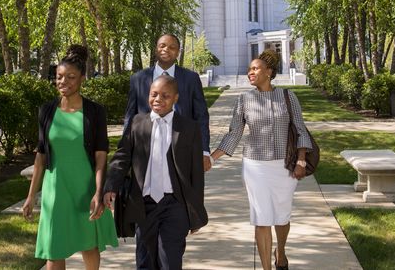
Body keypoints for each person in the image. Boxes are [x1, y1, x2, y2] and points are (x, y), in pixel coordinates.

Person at [210, 49, 313, 270]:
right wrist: (212, 159)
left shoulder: (288, 96)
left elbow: (300, 129)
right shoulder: (244, 99)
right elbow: (234, 133)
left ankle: (281, 252)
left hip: (284, 166)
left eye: (255, 68)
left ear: (269, 72)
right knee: (262, 217)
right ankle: (266, 267)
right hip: (255, 166)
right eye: (249, 69)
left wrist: (301, 160)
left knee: (282, 217)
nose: (250, 72)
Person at [22, 44, 118, 270]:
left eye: (70, 77)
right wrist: (30, 195)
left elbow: (101, 155)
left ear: (83, 78)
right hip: (56, 190)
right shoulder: (46, 111)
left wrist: (98, 191)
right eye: (59, 77)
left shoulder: (95, 111)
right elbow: (41, 156)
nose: (63, 82)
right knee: (54, 249)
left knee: (89, 244)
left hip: (84, 188)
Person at [104, 75, 208, 270]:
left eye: (165, 95)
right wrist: (111, 186)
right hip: (144, 205)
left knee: (170, 260)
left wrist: (195, 212)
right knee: (145, 261)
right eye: (154, 94)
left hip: (174, 204)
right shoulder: (137, 123)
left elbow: (196, 175)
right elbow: (122, 157)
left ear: (176, 98)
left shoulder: (189, 128)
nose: (158, 99)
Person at [124, 33, 212, 171]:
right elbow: (130, 117)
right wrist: (126, 150)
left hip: (182, 148)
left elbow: (201, 116)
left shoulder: (191, 78)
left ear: (178, 52)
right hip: (146, 149)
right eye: (162, 46)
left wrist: (204, 151)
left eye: (172, 47)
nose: (166, 49)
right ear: (156, 49)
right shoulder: (138, 79)